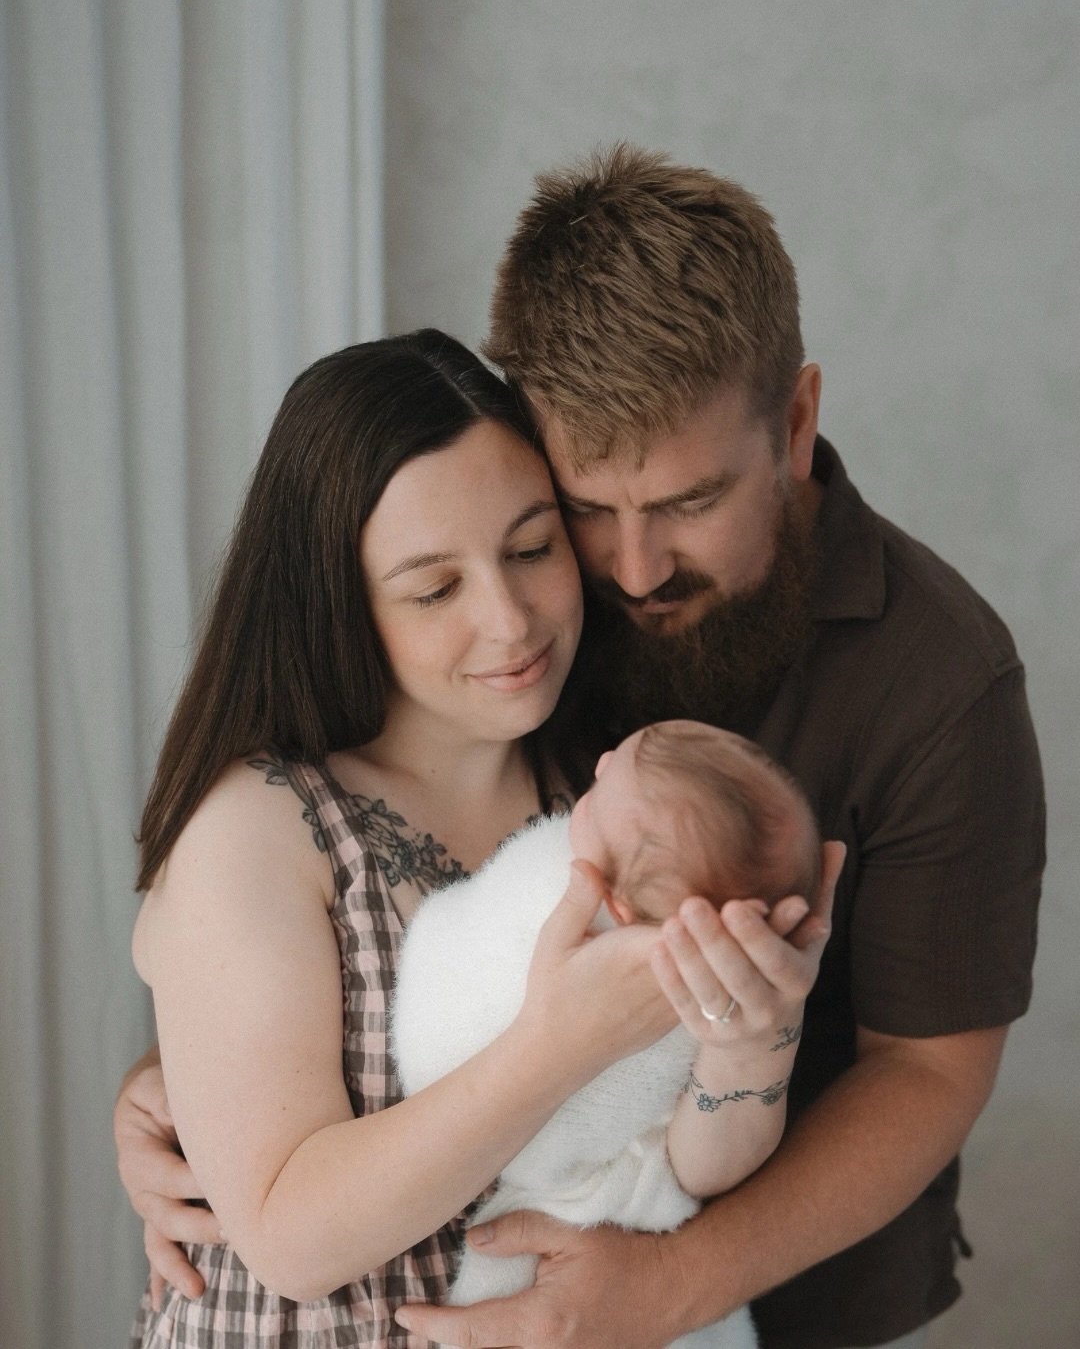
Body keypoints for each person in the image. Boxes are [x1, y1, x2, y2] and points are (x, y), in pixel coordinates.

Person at [116, 144, 1044, 1347]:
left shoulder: (941, 677)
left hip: (794, 1284)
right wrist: (182, 1087)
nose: (634, 570)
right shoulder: (534, 636)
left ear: (796, 423)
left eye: (690, 503)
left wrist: (666, 1284)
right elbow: (303, 952)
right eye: (587, 512)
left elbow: (928, 1070)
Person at [121, 327, 833, 1348]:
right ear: (340, 602)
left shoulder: (618, 802)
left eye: (533, 549)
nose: (511, 621)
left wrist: (757, 1032)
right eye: (434, 589)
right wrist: (563, 1041)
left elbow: (683, 1155)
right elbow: (290, 1239)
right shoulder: (261, 826)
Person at [392, 720, 822, 1349]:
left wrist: (753, 1049)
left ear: (617, 907)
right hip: (604, 1202)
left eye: (598, 797)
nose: (596, 768)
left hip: (560, 1205)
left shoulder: (555, 887)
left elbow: (438, 1026)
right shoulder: (703, 979)